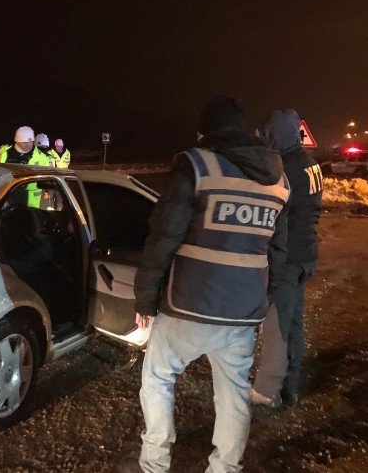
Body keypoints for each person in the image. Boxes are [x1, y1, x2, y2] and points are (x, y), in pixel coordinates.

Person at [127, 95, 290, 473]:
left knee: (157, 377)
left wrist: (145, 300)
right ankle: (225, 468)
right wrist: (264, 300)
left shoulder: (196, 164)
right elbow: (277, 252)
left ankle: (154, 462)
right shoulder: (278, 179)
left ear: (205, 131)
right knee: (233, 394)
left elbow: (163, 236)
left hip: (190, 304)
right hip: (243, 312)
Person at [251, 109, 323, 407]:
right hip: (305, 254)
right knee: (292, 322)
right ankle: (289, 386)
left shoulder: (287, 170)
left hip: (289, 258)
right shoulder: (310, 163)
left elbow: (276, 214)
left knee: (278, 325)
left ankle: (269, 391)